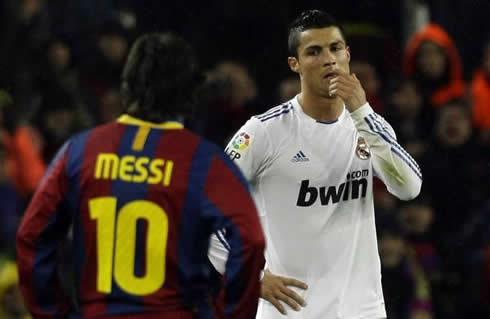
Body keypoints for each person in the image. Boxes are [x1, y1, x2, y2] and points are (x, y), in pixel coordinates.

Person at [16, 32, 265, 319]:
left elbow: (31, 236)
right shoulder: (205, 161)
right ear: (190, 92)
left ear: (127, 85)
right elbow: (250, 240)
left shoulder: (79, 152)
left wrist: (55, 313)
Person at [208, 9, 422, 319]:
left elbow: (408, 188)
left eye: (335, 48)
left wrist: (363, 114)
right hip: (290, 312)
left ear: (347, 54)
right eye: (314, 52)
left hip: (362, 310)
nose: (329, 59)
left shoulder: (368, 124)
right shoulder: (264, 132)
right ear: (295, 64)